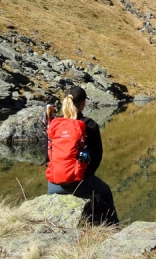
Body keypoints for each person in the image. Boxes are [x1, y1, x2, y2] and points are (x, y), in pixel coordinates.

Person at [47, 86, 119, 224]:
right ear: (83, 104)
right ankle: (114, 226)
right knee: (106, 191)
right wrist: (86, 175)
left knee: (50, 197)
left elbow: (47, 156)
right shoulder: (89, 124)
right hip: (80, 182)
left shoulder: (55, 124)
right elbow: (97, 157)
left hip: (54, 184)